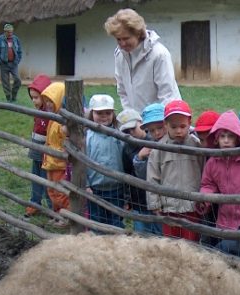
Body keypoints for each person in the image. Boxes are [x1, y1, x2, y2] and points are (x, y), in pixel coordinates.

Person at [146, 99, 203, 241]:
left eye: (183, 126)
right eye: (174, 126)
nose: (178, 130)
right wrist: (154, 203)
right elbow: (153, 177)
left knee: (191, 243)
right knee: (171, 244)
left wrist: (202, 198)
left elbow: (203, 170)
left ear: (189, 123)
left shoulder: (196, 146)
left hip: (192, 206)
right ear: (166, 125)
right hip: (169, 207)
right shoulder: (159, 149)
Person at [104, 8, 181, 113]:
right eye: (118, 39)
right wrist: (132, 119)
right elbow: (122, 91)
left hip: (161, 120)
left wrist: (153, 124)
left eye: (126, 38)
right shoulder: (120, 55)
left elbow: (168, 96)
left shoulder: (159, 54)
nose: (122, 44)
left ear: (138, 34)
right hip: (136, 121)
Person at [85, 95, 125, 228]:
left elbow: (125, 160)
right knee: (97, 221)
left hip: (117, 187)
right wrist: (85, 184)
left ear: (113, 114)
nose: (104, 116)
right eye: (99, 113)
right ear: (91, 113)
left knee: (116, 220)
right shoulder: (87, 136)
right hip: (95, 188)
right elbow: (81, 162)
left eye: (108, 113)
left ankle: (116, 246)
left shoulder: (118, 135)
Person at [128, 103, 166, 235]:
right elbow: (146, 176)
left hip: (173, 201)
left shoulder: (179, 144)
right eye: (151, 130)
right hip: (154, 200)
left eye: (160, 128)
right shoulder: (149, 146)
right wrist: (139, 159)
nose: (157, 132)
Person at [40, 82, 69, 226]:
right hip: (50, 162)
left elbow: (66, 144)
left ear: (59, 100)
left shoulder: (62, 123)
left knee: (61, 193)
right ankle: (57, 214)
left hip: (59, 163)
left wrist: (58, 153)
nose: (48, 105)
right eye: (46, 101)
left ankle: (66, 217)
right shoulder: (53, 119)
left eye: (51, 101)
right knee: (51, 190)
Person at [24, 74, 52, 218]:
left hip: (46, 151)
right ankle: (34, 202)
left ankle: (52, 206)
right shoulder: (39, 111)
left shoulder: (51, 113)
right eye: (32, 98)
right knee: (35, 176)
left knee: (46, 179)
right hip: (36, 148)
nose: (34, 101)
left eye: (36, 97)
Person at [0, 23, 23, 102]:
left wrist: (18, 60)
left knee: (18, 80)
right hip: (4, 64)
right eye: (8, 32)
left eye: (11, 32)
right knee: (5, 82)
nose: (10, 34)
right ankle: (8, 98)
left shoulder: (16, 39)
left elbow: (19, 51)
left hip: (14, 63)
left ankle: (14, 95)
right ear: (5, 32)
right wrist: (0, 62)